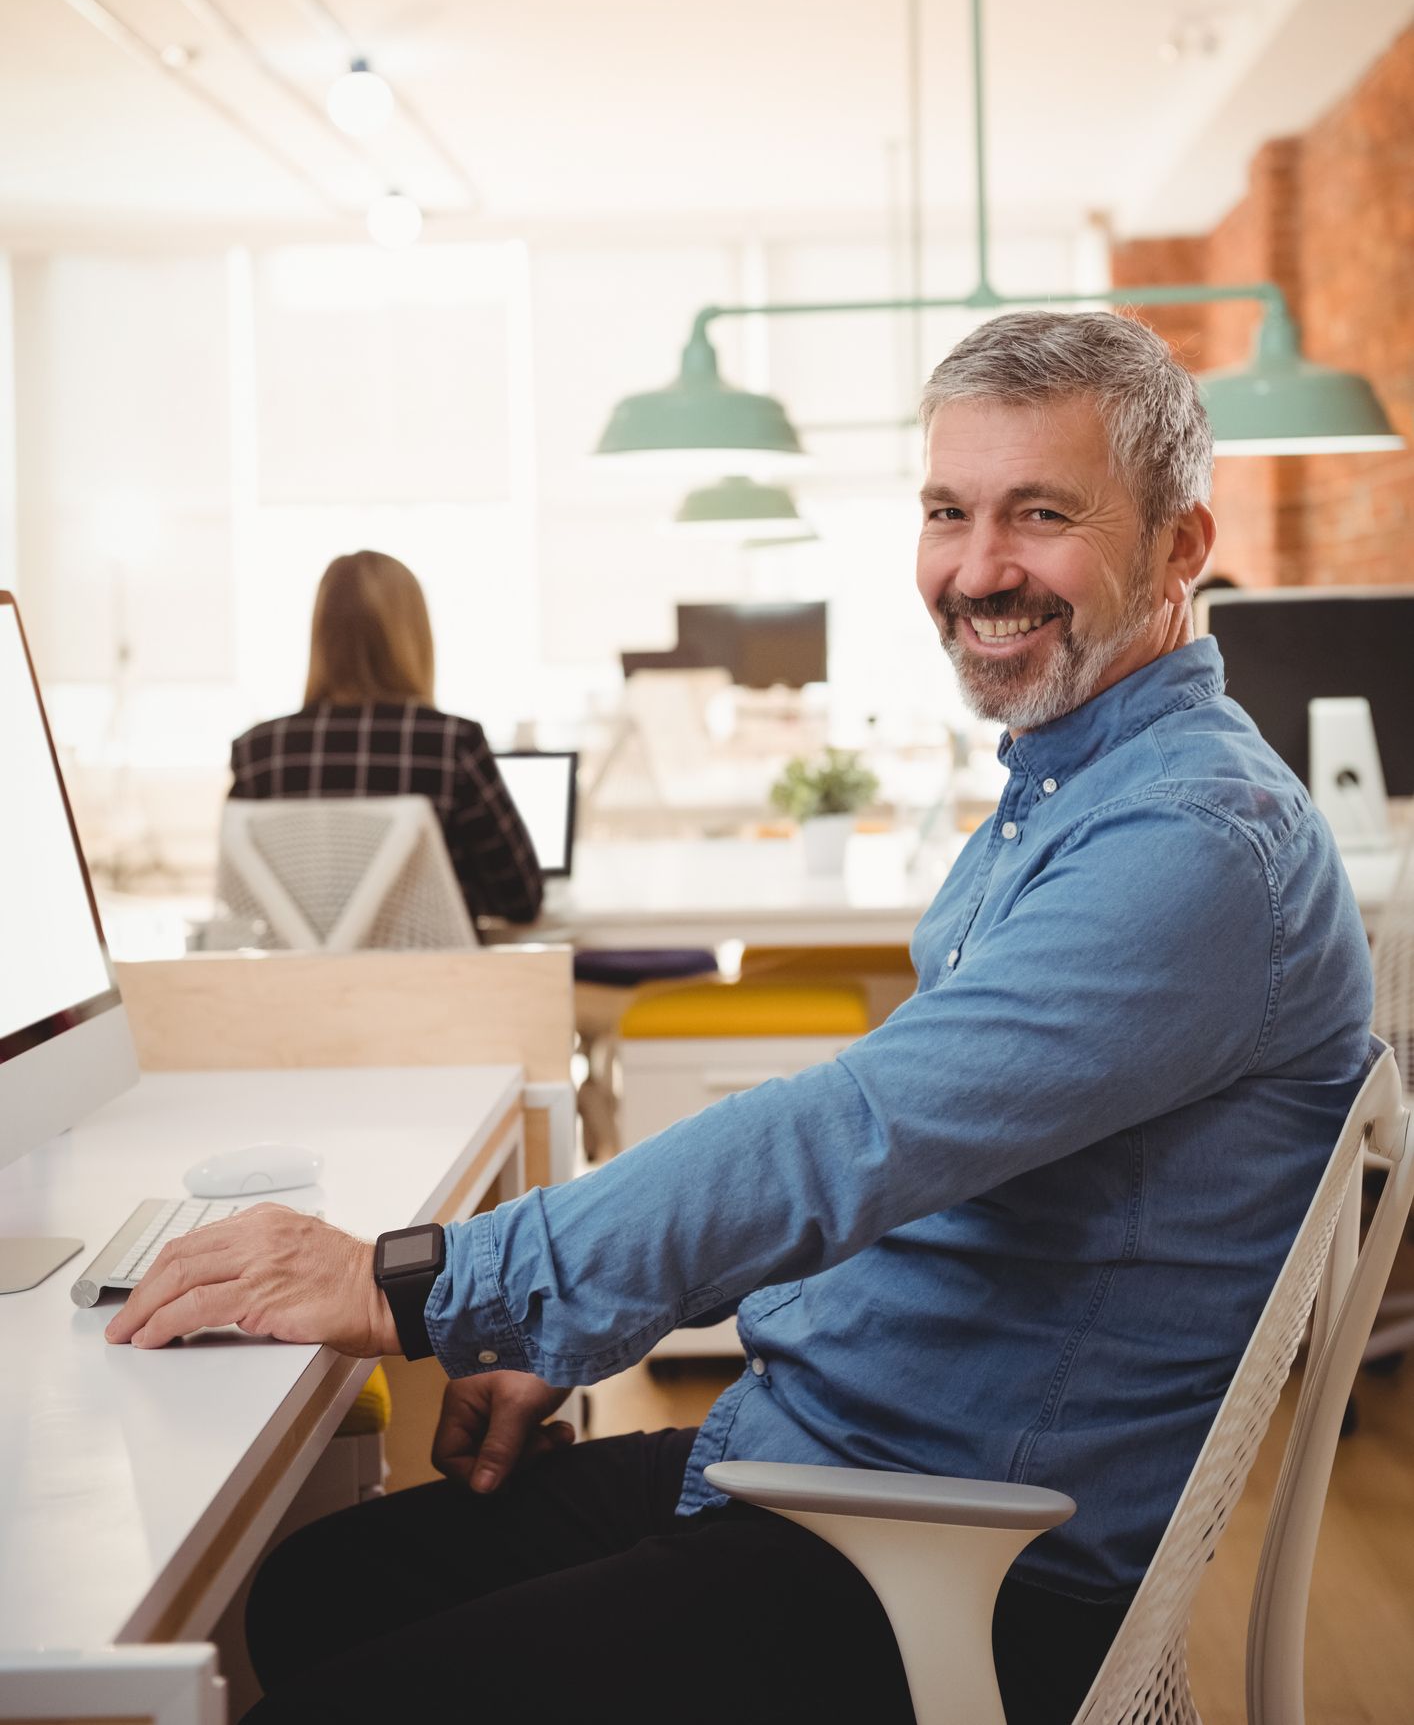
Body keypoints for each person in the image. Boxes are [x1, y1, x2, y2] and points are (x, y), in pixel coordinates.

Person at [111, 315, 1374, 1725]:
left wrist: (426, 1280)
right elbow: (900, 1158)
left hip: (945, 1558)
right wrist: (564, 1328)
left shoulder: (1189, 842)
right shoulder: (1075, 790)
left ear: (1179, 540)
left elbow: (849, 1138)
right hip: (835, 1451)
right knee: (311, 1592)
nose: (974, 568)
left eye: (1041, 514)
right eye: (946, 511)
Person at [228, 550, 541, 932]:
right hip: (432, 985)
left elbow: (239, 902)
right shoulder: (451, 743)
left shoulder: (260, 752)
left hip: (302, 989)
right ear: (414, 636)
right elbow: (521, 899)